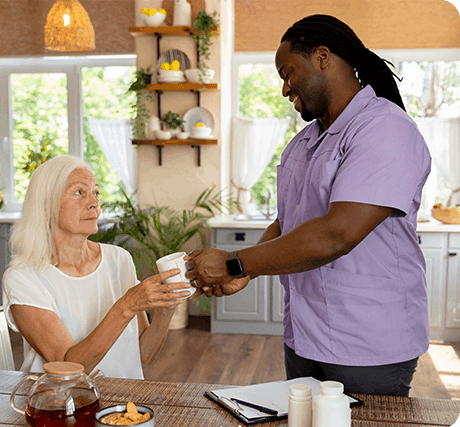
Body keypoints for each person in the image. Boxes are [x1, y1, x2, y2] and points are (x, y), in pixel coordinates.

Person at [185, 14, 431, 396]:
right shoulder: (306, 141)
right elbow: (291, 221)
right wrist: (245, 272)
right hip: (304, 336)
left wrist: (235, 261)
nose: (285, 88)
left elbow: (336, 235)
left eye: (288, 72)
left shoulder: (384, 129)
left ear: (321, 57)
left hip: (367, 343)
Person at [2, 155, 192, 378]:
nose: (94, 203)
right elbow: (69, 367)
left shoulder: (118, 259)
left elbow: (143, 355)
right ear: (45, 205)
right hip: (59, 405)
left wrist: (166, 310)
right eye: (78, 192)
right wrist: (127, 305)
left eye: (95, 192)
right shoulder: (23, 277)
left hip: (122, 406)